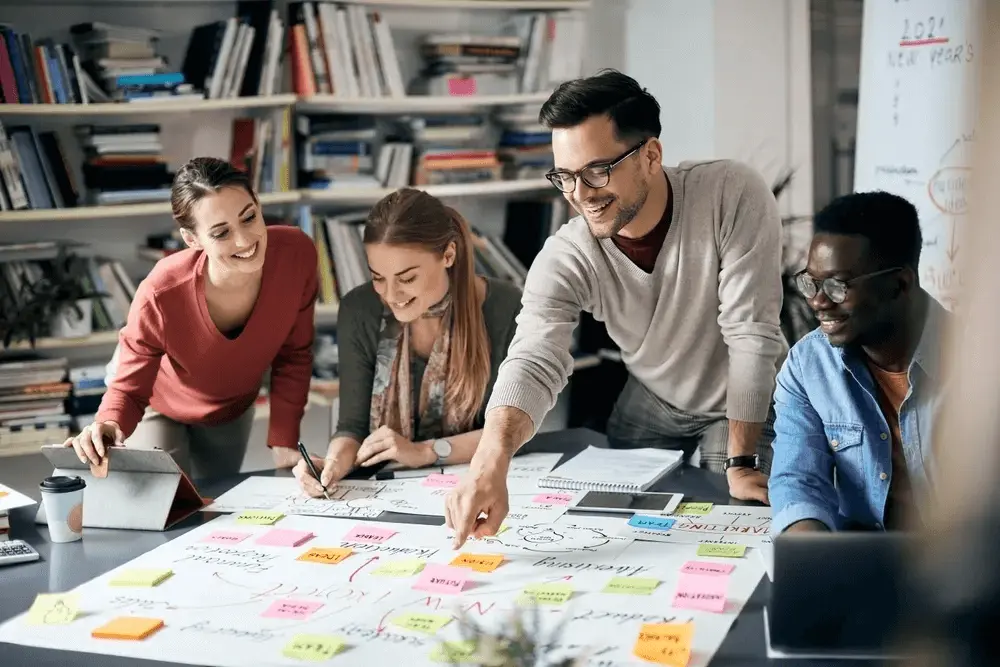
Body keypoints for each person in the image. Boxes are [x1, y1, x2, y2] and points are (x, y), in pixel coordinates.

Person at [444, 69, 788, 547]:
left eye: (597, 171)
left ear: (651, 155)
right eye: (565, 176)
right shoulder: (568, 254)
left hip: (738, 400)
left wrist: (742, 460)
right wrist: (489, 461)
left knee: (730, 523)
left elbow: (751, 334)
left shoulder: (730, 194)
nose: (581, 195)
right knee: (618, 525)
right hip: (650, 395)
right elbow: (534, 357)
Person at [64, 157, 318, 480]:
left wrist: (284, 441)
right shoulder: (161, 291)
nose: (244, 241)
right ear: (192, 239)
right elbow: (129, 390)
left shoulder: (297, 255)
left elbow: (294, 355)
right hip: (158, 404)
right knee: (165, 503)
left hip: (230, 407)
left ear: (258, 203)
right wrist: (108, 427)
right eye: (221, 233)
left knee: (215, 504)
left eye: (249, 217)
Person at [293, 188, 522, 497]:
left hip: (479, 483)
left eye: (407, 278)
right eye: (378, 277)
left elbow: (510, 428)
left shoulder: (505, 307)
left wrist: (425, 451)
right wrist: (333, 462)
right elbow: (352, 426)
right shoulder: (359, 308)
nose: (390, 295)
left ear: (448, 255)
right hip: (389, 491)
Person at [768, 191, 947, 534]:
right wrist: (817, 564)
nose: (818, 302)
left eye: (838, 285)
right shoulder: (808, 366)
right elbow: (798, 482)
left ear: (900, 284)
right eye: (811, 282)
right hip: (859, 563)